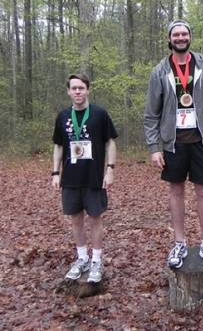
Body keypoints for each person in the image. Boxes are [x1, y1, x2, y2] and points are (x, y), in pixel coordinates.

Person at [144, 19, 203, 269]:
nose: (180, 37)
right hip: (172, 143)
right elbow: (151, 115)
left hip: (201, 140)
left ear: (190, 37)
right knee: (176, 192)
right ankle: (179, 241)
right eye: (176, 34)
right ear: (169, 39)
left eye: (184, 33)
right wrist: (154, 147)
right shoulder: (159, 71)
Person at [52, 73, 118, 283]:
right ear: (68, 91)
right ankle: (82, 259)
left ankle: (97, 260)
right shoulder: (62, 116)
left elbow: (110, 143)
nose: (78, 92)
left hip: (94, 177)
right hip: (71, 177)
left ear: (88, 89)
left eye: (81, 88)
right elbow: (58, 146)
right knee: (76, 220)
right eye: (74, 88)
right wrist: (55, 172)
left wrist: (110, 169)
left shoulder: (99, 114)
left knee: (95, 219)